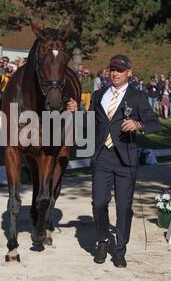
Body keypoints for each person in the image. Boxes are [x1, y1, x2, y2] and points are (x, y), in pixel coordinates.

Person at [67, 54, 161, 268]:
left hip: (125, 160)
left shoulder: (137, 96)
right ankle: (102, 240)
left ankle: (120, 250)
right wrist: (76, 112)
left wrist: (138, 125)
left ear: (129, 72)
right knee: (99, 203)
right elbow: (92, 122)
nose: (115, 73)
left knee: (124, 207)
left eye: (119, 70)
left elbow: (155, 123)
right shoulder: (100, 94)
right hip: (102, 157)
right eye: (112, 69)